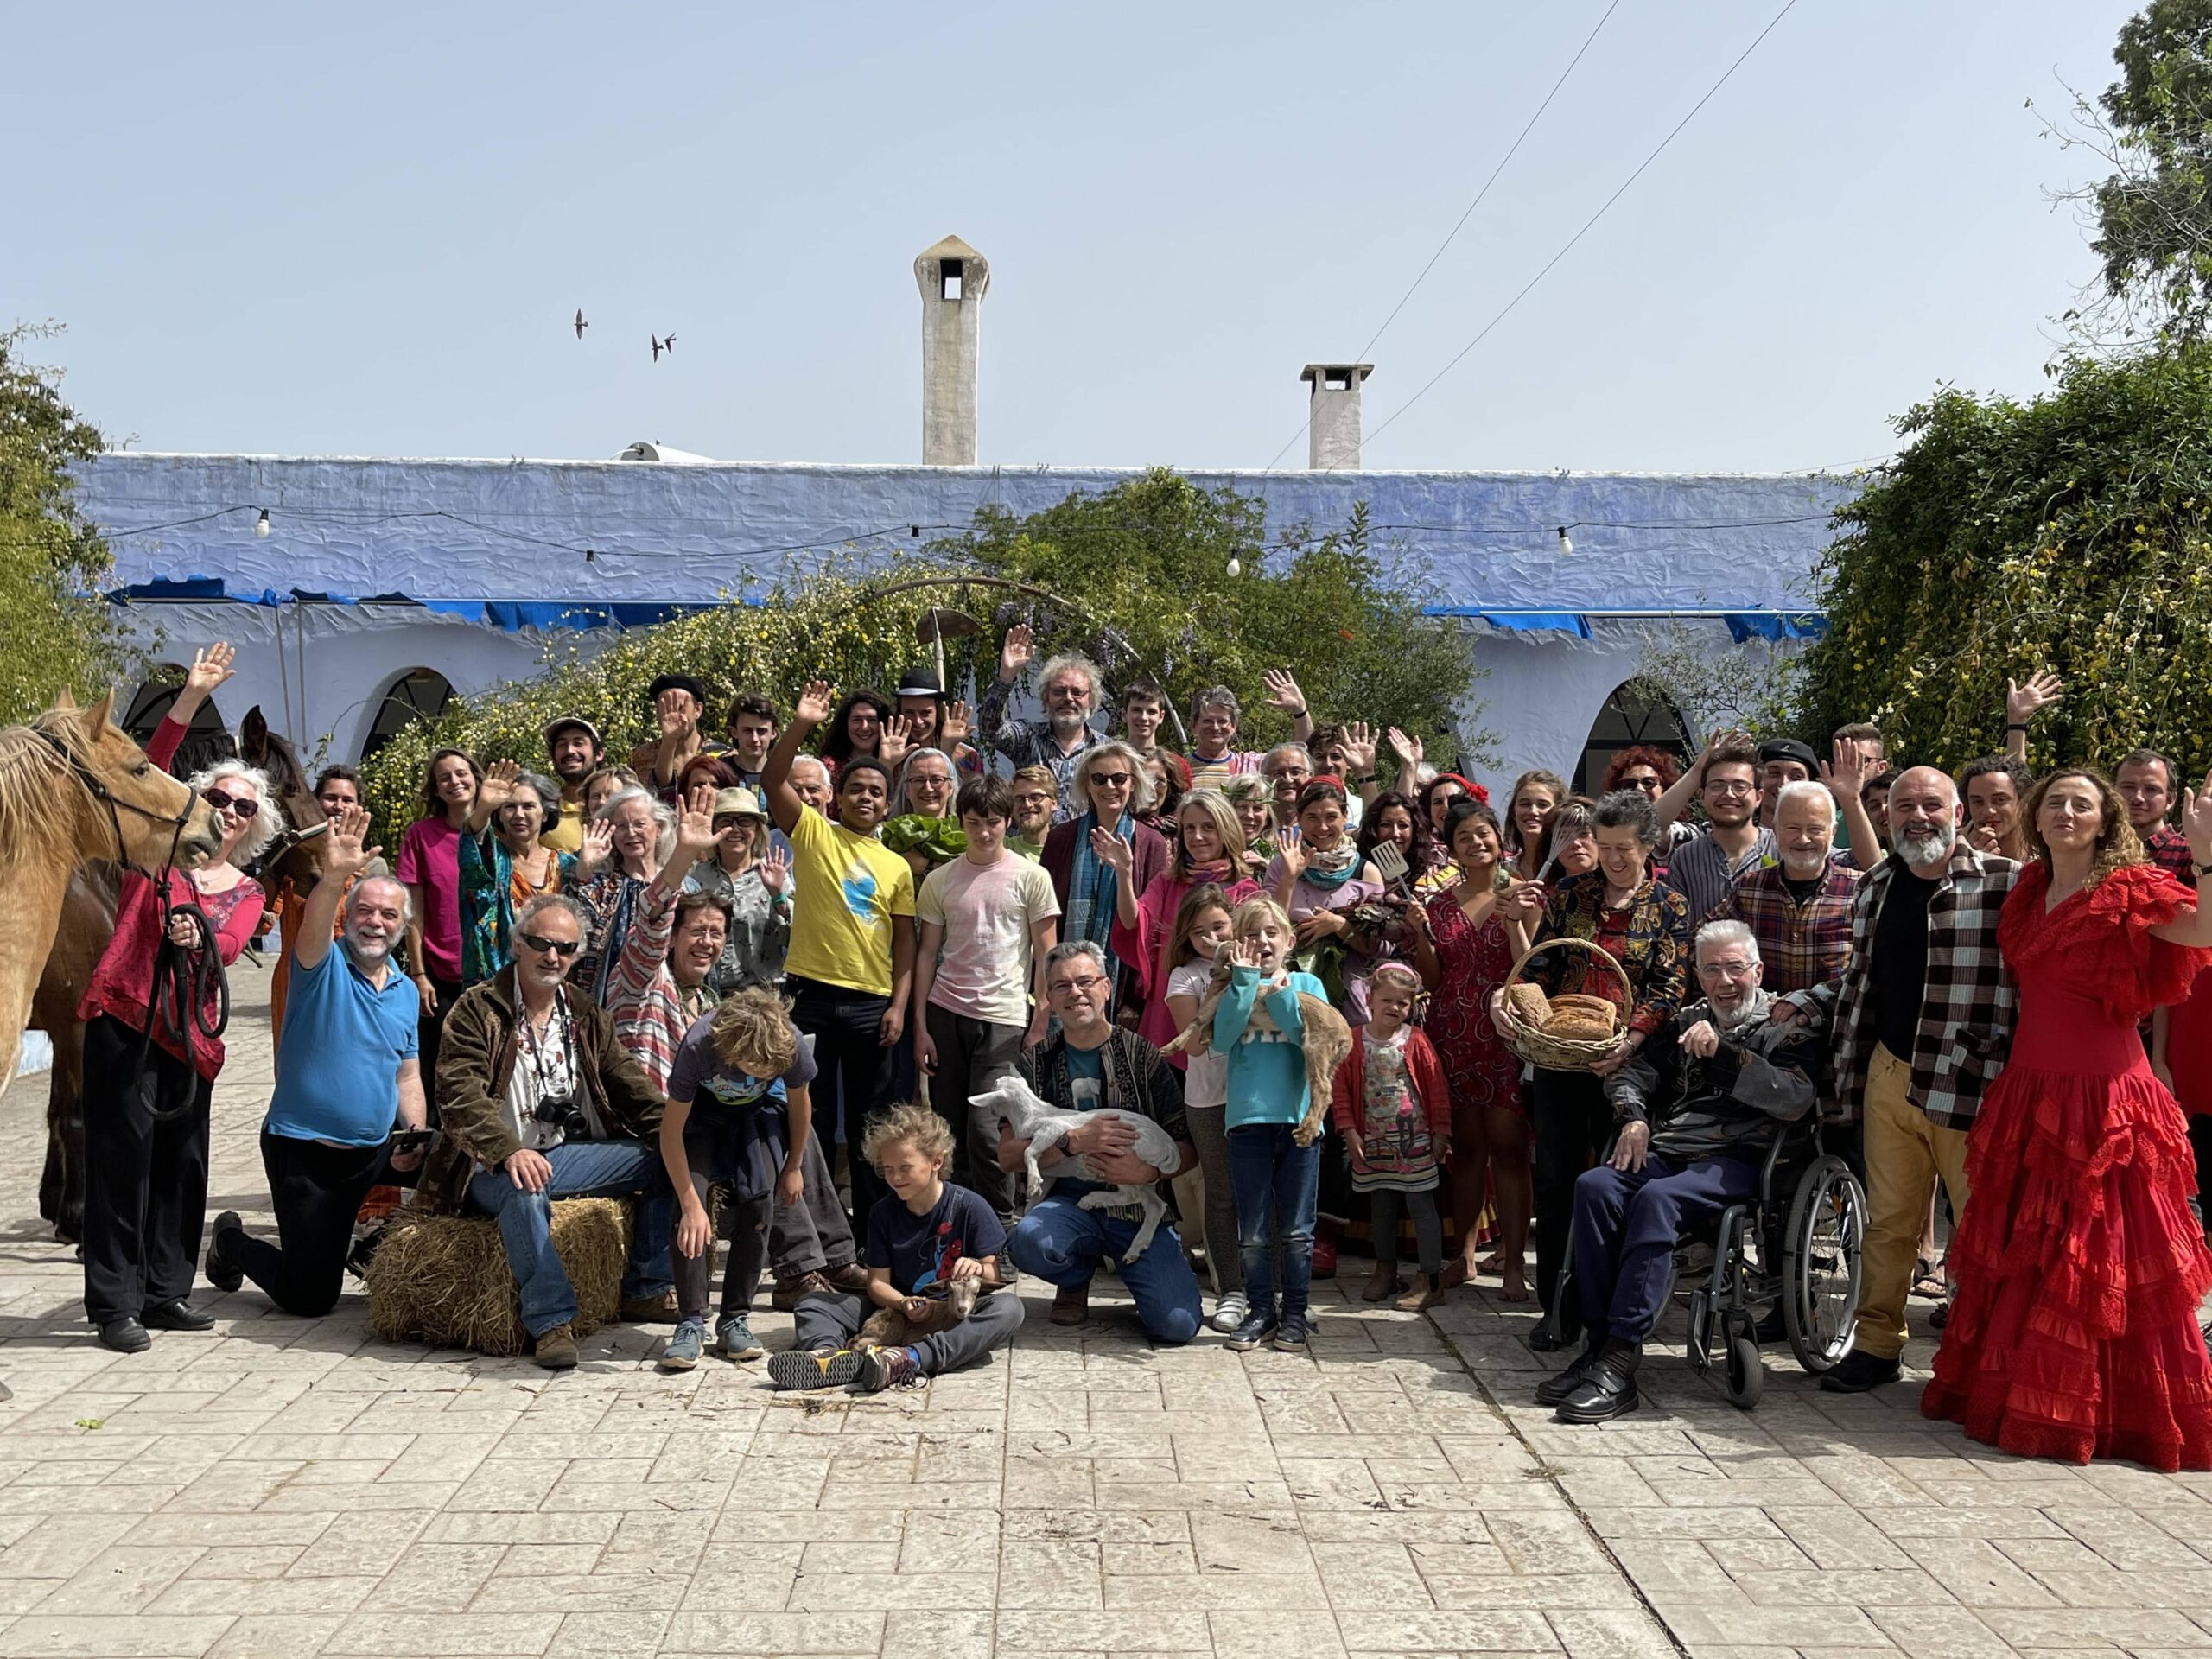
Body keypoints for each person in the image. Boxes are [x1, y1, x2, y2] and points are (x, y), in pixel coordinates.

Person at [1923, 767, 2212, 1469]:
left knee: (2102, 1256)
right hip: (2031, 1091)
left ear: (2104, 820)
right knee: (2033, 1254)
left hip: (2107, 1099)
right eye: (2055, 803)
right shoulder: (2028, 889)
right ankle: (2026, 1395)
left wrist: (2206, 855)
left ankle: (2113, 1412)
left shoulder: (2130, 889)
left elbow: (2203, 927)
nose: (2067, 813)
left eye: (2081, 804)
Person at [1775, 766, 2022, 1394]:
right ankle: (1879, 1346)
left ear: (1958, 812)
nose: (1917, 815)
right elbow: (1863, 978)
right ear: (1887, 817)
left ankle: (1984, 1359)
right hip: (1888, 1071)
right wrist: (1807, 1000)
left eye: (1931, 805)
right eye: (1904, 805)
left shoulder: (2007, 884)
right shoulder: (1877, 884)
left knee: (1981, 1227)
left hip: (1971, 1081)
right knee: (1888, 1223)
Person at [1540, 919, 1821, 1423]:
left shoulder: (1783, 1023)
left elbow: (1797, 1100)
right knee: (1596, 1185)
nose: (1725, 980)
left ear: (1757, 970)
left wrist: (1726, 1054)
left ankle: (1621, 1356)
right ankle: (1599, 1345)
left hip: (1740, 1158)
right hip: (1671, 1147)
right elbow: (1630, 1073)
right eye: (1712, 970)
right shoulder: (1684, 1019)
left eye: (1736, 968)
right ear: (1698, 975)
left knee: (1657, 1200)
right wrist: (1633, 1119)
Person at [77, 643, 270, 1352]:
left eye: (242, 806)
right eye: (217, 798)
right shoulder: (150, 855)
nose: (228, 810)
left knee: (182, 1170)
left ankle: (165, 1291)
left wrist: (200, 938)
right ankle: (114, 1303)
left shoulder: (249, 892)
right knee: (119, 1166)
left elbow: (225, 948)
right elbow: (150, 767)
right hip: (125, 1019)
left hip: (193, 1039)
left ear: (254, 824)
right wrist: (188, 699)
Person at [420, 893, 675, 1370]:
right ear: (518, 944)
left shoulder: (581, 1011)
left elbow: (628, 1086)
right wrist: (507, 1152)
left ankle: (647, 1285)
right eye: (541, 943)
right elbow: (459, 1095)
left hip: (561, 1154)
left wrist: (679, 1132)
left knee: (669, 1156)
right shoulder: (478, 1008)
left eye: (566, 947)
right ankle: (551, 1322)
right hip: (486, 1167)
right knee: (525, 1188)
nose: (553, 956)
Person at [204, 805, 425, 1319]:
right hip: (306, 1155)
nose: (375, 922)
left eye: (388, 914)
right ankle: (231, 1242)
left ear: (402, 926)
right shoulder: (319, 965)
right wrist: (333, 880)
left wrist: (414, 1136)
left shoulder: (404, 992)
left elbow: (407, 1074)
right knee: (310, 1297)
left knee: (464, 1164)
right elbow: (313, 928)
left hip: (373, 1155)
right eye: (365, 911)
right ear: (347, 918)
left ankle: (383, 1252)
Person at [1499, 789, 1692, 1345]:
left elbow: (1670, 986)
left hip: (1632, 1066)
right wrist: (1516, 1002)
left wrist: (1631, 1040)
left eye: (1624, 848)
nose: (1612, 858)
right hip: (1563, 1056)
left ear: (1649, 845)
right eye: (1604, 846)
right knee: (1556, 1179)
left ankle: (1610, 1304)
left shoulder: (1670, 906)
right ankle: (1558, 1307)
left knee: (1614, 1184)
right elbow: (1545, 963)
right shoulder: (1569, 894)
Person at [765, 681, 918, 1232]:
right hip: (810, 1001)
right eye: (856, 789)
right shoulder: (812, 833)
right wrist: (802, 722)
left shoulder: (898, 867)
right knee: (810, 1120)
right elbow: (770, 779)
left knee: (870, 1124)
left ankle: (873, 1231)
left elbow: (905, 943)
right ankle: (816, 1236)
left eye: (877, 792)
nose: (867, 798)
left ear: (886, 802)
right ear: (837, 795)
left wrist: (899, 1006)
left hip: (871, 1007)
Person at [1000, 942, 1203, 1338]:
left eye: (1085, 981)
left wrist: (1146, 1171)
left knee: (1177, 1326)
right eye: (1062, 986)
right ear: (1049, 999)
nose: (1075, 993)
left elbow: (1188, 1148)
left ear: (1106, 988)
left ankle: (1146, 1267)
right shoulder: (1033, 1064)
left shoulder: (1145, 1057)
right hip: (1068, 1204)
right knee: (1026, 1242)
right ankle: (1076, 1276)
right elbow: (1007, 1156)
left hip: (1135, 1210)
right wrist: (1070, 1143)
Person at [772, 1102, 1024, 1393]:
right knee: (812, 1303)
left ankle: (911, 1358)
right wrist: (904, 1303)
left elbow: (994, 1272)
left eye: (905, 1167)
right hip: (898, 1310)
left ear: (936, 1162)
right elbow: (877, 1284)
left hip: (952, 1313)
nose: (895, 1178)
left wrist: (979, 1268)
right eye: (888, 1169)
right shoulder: (882, 1213)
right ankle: (827, 1357)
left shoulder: (970, 1206)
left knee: (1010, 1309)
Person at [914, 776, 1061, 1218]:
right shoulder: (940, 880)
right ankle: (955, 1223)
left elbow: (1046, 953)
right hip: (945, 1011)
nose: (983, 832)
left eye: (993, 822)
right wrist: (920, 1026)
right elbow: (926, 954)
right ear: (960, 821)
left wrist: (1040, 1021)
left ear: (1007, 821)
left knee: (987, 1128)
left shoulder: (1032, 876)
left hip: (1004, 1016)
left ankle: (999, 1222)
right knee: (948, 1128)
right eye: (974, 822)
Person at [658, 988, 829, 1369]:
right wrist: (689, 1202)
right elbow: (670, 1133)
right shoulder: (700, 1044)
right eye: (758, 1067)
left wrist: (794, 1165)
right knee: (691, 1210)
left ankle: (735, 1317)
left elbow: (801, 1104)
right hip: (701, 1115)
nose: (766, 1072)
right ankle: (689, 1322)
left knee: (759, 1200)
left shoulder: (791, 1042)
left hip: (757, 1114)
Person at [1424, 801, 1533, 1299]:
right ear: (1452, 848)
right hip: (1452, 1035)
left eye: (1483, 833)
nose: (1475, 843)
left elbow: (1531, 970)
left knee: (1509, 1152)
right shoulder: (1439, 904)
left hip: (1506, 1035)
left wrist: (1514, 921)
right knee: (1466, 1152)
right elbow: (1433, 977)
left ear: (1499, 839)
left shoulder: (1524, 895)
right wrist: (1415, 934)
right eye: (1464, 837)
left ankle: (1513, 1264)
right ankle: (1463, 1255)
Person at [1213, 897, 1330, 1351]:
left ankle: (1296, 1313)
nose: (1261, 942)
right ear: (1237, 944)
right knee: (1254, 1231)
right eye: (1251, 935)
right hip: (1248, 1120)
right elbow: (1221, 1040)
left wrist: (1278, 987)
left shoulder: (1307, 983)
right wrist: (1244, 983)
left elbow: (1307, 1034)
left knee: (1297, 1231)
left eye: (1270, 934)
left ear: (1289, 942)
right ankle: (1261, 1310)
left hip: (1300, 1120)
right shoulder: (1232, 986)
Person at [1334, 961, 1452, 1312]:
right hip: (1373, 1145)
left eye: (1403, 1003)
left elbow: (1436, 1087)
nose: (1394, 1008)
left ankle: (1431, 1279)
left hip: (1414, 1143)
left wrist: (1441, 1131)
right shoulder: (1353, 1041)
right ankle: (1384, 1270)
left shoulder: (1416, 1040)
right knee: (1381, 1207)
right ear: (1369, 999)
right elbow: (1339, 1092)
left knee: (1421, 1206)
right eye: (1387, 1000)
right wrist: (1349, 1131)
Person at [1114, 789, 1261, 1054]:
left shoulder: (1245, 888)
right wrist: (1124, 875)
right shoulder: (1168, 881)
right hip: (1169, 1006)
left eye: (1208, 827)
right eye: (1189, 828)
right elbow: (1133, 921)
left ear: (1226, 829)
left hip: (1225, 1009)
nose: (1197, 836)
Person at [1162, 886, 1245, 1332]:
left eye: (1219, 927)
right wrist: (1217, 981)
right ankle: (1228, 1284)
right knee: (1221, 1191)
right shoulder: (1184, 977)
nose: (1211, 938)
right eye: (1199, 933)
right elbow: (1194, 1044)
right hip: (1209, 1098)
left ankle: (1268, 1282)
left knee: (1263, 1190)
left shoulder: (1256, 966)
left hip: (1256, 1098)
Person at [1040, 741, 1170, 1019]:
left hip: (1124, 993)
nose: (1109, 786)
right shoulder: (1060, 839)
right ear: (1088, 785)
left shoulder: (1152, 844)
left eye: (1119, 778)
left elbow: (1153, 931)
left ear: (1133, 784)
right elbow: (1045, 919)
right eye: (1099, 778)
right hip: (1064, 986)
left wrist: (1135, 1001)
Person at [1710, 779, 1860, 995]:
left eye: (1815, 829)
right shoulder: (1749, 889)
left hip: (1834, 1023)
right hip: (1764, 1022)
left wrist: (1812, 1004)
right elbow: (1706, 939)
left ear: (1833, 832)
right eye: (1792, 828)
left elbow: (1871, 967)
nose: (1804, 839)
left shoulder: (1859, 891)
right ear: (1775, 830)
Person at [1271, 777, 1393, 1024]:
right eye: (1312, 818)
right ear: (1299, 818)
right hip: (1294, 994)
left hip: (1353, 1000)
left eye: (1331, 817)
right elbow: (1270, 927)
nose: (1323, 827)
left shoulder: (1366, 871)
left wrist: (1339, 926)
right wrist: (1290, 879)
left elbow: (1383, 947)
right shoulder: (1282, 864)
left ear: (1345, 816)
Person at [398, 746, 480, 1110]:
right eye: (444, 777)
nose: (454, 782)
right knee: (438, 1072)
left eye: (461, 773)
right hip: (440, 974)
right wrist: (418, 973)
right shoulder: (421, 835)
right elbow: (413, 912)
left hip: (491, 971)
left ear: (476, 777)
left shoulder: (499, 831)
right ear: (435, 789)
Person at [459, 761, 578, 983]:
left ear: (545, 813)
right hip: (499, 983)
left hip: (556, 979)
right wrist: (483, 808)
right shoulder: (493, 861)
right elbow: (472, 857)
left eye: (529, 806)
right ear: (500, 816)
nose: (519, 814)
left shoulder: (567, 865)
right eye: (509, 807)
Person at [978, 624, 1105, 817]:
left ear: (1091, 699)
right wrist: (1006, 675)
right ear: (1046, 698)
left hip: (1082, 845)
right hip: (1028, 844)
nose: (1068, 698)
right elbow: (989, 730)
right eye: (1059, 691)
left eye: (1077, 692)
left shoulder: (1105, 750)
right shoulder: (1028, 737)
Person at [569, 785, 675, 1003]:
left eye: (639, 824)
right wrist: (585, 866)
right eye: (621, 826)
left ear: (659, 829)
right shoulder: (605, 885)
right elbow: (577, 923)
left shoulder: (680, 883)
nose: (631, 833)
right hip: (611, 1001)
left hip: (667, 999)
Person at [684, 785, 791, 995]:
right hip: (709, 996)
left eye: (744, 821)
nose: (735, 829)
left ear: (757, 829)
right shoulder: (696, 878)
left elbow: (796, 941)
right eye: (726, 821)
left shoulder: (774, 875)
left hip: (765, 996)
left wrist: (778, 897)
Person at [1656, 737, 1769, 923]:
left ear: (1758, 797)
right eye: (1717, 786)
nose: (1729, 794)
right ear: (1702, 795)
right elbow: (1676, 929)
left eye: (1740, 787)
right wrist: (1697, 770)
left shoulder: (1781, 849)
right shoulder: (1686, 858)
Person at [1184, 677, 1314, 791]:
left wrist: (1300, 710)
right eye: (1208, 721)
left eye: (1223, 721)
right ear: (1193, 726)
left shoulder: (1253, 765)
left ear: (1234, 726)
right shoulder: (1179, 770)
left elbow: (1303, 754)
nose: (1215, 727)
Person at [628, 673, 727, 804]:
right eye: (665, 709)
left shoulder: (723, 756)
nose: (673, 715)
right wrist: (669, 741)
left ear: (697, 710)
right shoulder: (640, 757)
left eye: (680, 708)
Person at [2117, 747, 2199, 885]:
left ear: (2170, 800)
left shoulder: (2191, 855)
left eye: (2151, 789)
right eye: (2128, 787)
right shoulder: (2096, 850)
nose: (2137, 798)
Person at [892, 666, 982, 778]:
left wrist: (948, 749)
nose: (918, 721)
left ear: (938, 712)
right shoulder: (891, 754)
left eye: (925, 713)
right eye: (909, 713)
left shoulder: (967, 757)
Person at [540, 716, 604, 853]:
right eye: (562, 744)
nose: (570, 750)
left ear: (599, 754)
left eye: (579, 743)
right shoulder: (543, 812)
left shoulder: (620, 803)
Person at [1960, 754, 2033, 865]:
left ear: (2023, 802)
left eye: (2000, 800)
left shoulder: (2050, 855)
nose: (1988, 811)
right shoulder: (1954, 857)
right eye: (1978, 802)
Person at [1502, 770, 1568, 886]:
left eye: (1543, 805)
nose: (1533, 811)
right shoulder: (1504, 870)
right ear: (1513, 812)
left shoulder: (1569, 866)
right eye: (1525, 804)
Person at [820, 687, 892, 783]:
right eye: (857, 720)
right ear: (845, 725)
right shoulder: (829, 767)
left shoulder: (897, 765)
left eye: (871, 720)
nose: (864, 727)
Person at [1755, 737, 1819, 830]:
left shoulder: (1823, 839)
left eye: (1796, 777)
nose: (1784, 784)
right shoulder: (1734, 839)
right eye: (1774, 773)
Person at [1223, 773, 1276, 880]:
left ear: (1267, 818)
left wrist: (1266, 866)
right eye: (1242, 807)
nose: (1250, 815)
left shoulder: (1280, 854)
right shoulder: (1214, 849)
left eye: (1258, 808)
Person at [722, 692, 779, 788]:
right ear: (734, 732)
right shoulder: (718, 772)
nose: (754, 739)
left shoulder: (782, 776)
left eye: (761, 731)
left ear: (774, 733)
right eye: (747, 731)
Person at [1261, 742, 1315, 835]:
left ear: (1310, 776)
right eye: (1279, 774)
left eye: (1296, 772)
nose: (1288, 780)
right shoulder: (1254, 824)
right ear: (1264, 778)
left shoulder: (1321, 823)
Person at [1007, 765, 1057, 861]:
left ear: (1054, 804)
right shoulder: (1003, 848)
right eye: (1019, 799)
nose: (1027, 804)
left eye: (1035, 797)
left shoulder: (1069, 851)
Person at [1119, 677, 1170, 760]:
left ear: (1161, 717)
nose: (1144, 718)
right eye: (1136, 710)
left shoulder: (1175, 765)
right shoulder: (1111, 762)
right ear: (1124, 714)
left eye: (1151, 712)